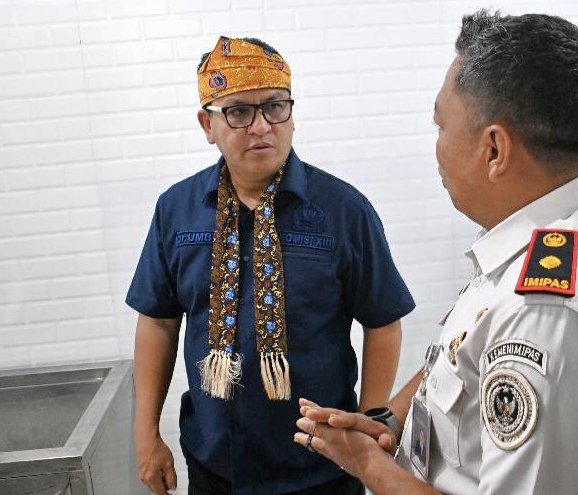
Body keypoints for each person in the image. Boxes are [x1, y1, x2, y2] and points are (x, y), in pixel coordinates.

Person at [294, 9, 578, 495]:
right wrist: (391, 422)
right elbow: (461, 355)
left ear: (494, 150)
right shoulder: (545, 235)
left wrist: (368, 465)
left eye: (440, 126)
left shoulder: (548, 318)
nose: (437, 148)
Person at [126, 36, 415, 495]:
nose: (261, 127)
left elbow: (383, 323)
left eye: (275, 107)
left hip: (321, 466)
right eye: (239, 112)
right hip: (215, 465)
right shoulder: (176, 210)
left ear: (292, 114)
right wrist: (145, 436)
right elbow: (158, 322)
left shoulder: (343, 210)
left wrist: (365, 429)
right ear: (207, 124)